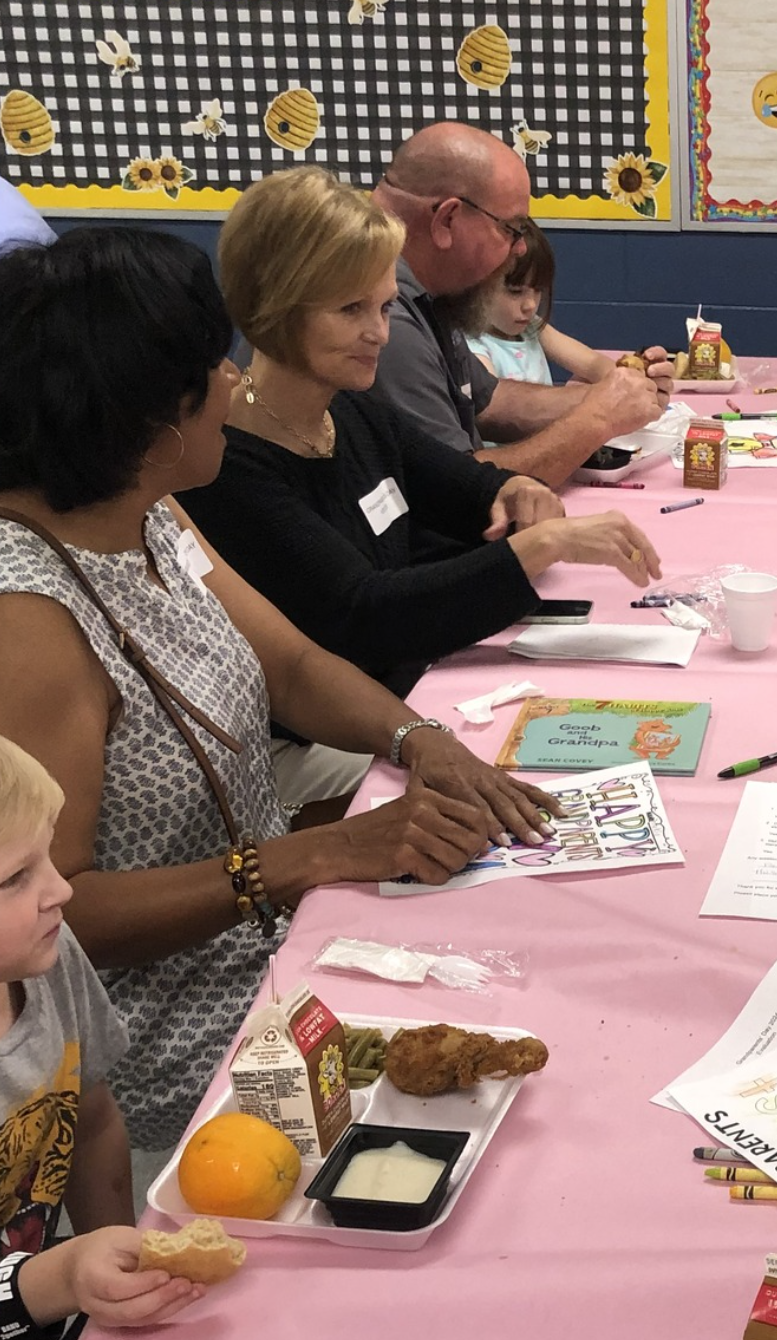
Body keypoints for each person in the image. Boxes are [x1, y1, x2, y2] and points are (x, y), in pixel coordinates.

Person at [0, 227, 560, 1152]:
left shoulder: (148, 509)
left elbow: (292, 667)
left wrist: (425, 742)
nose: (233, 384)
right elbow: (53, 914)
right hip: (175, 1046)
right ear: (142, 413)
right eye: (211, 368)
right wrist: (304, 860)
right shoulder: (29, 617)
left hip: (272, 954)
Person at [177, 169, 662, 792]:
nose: (380, 333)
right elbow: (364, 616)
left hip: (409, 689)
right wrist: (536, 546)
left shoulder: (348, 407)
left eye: (383, 307)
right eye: (351, 310)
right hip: (311, 746)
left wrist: (513, 492)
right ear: (274, 306)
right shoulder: (228, 466)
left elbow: (462, 485)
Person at [0, 739, 204, 1340]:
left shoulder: (43, 960)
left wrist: (117, 1259)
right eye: (16, 878)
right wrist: (60, 1281)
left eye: (46, 859)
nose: (62, 891)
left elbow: (91, 1121)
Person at [369, 123, 671, 486]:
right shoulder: (385, 319)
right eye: (511, 229)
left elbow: (491, 401)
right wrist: (599, 418)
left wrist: (615, 397)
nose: (521, 248)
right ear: (447, 219)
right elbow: (453, 489)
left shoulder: (430, 292)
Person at [466, 217, 641, 396]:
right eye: (515, 291)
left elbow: (592, 363)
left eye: (538, 290)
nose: (531, 305)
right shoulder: (473, 346)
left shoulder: (532, 327)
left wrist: (633, 380)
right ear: (476, 284)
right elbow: (495, 402)